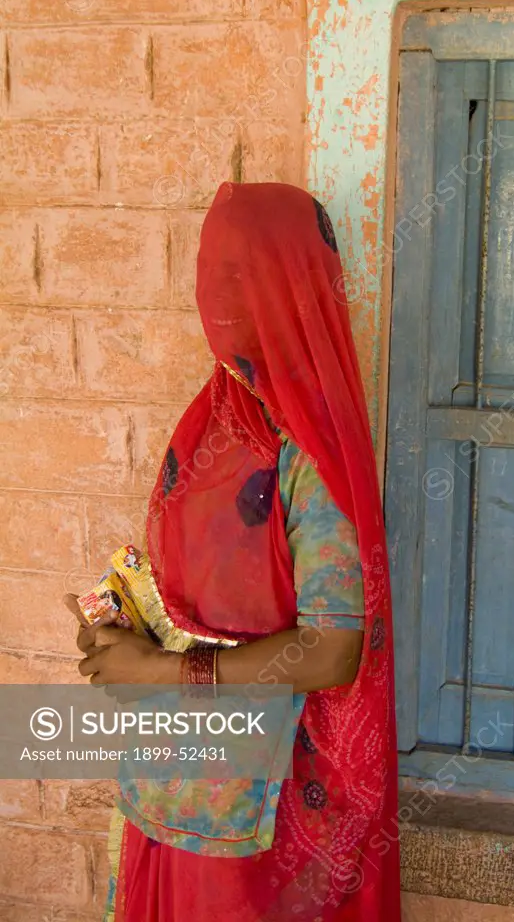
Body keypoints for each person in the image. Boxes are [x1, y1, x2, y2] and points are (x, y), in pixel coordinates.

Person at [65, 182, 401, 921]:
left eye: (240, 272)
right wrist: (128, 625)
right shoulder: (211, 418)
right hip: (182, 766)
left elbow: (332, 651)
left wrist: (163, 672)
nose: (216, 293)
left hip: (271, 798)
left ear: (293, 286)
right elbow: (191, 581)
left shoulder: (313, 452)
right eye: (209, 267)